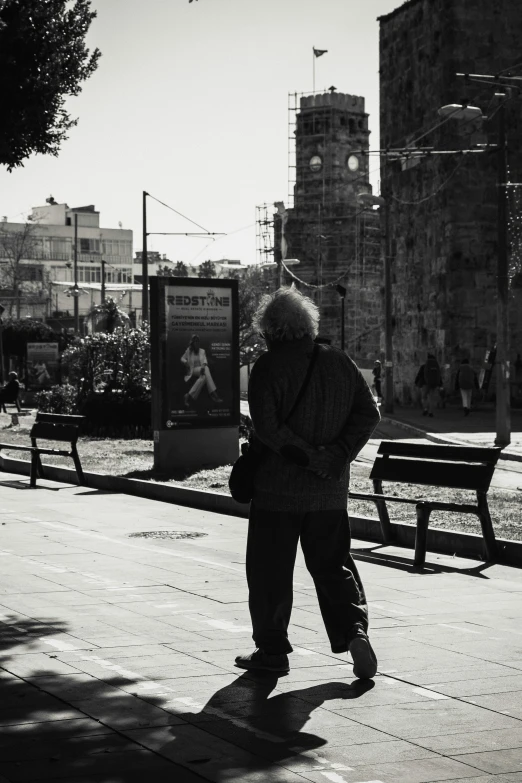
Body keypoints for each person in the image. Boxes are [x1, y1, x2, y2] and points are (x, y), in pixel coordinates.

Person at [235, 287, 380, 679]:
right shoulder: (341, 363)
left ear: (272, 330)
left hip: (277, 494)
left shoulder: (267, 368)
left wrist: (308, 455)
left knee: (270, 574)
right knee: (334, 567)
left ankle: (272, 650)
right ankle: (354, 633)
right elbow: (369, 414)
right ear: (307, 325)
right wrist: (338, 455)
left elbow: (269, 429)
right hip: (329, 493)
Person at [180, 334, 222, 407]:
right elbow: (182, 358)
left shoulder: (202, 351)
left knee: (204, 377)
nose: (197, 343)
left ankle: (188, 395)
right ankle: (213, 393)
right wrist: (185, 362)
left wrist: (202, 366)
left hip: (201, 369)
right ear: (192, 343)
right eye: (195, 342)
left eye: (198, 342)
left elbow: (205, 361)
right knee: (206, 369)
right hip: (192, 370)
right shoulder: (189, 351)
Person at [415, 353, 441, 417]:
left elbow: (419, 375)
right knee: (431, 398)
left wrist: (416, 382)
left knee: (424, 397)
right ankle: (431, 412)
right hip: (433, 384)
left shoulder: (424, 366)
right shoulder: (436, 366)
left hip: (424, 384)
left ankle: (425, 409)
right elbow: (438, 375)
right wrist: (440, 383)